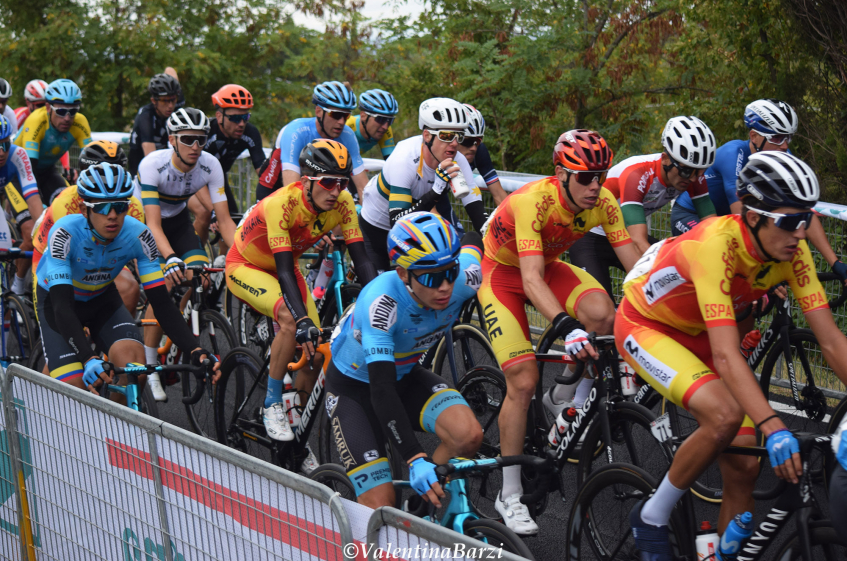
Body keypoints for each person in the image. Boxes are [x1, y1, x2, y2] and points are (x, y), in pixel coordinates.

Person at [616, 151, 847, 559]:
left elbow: (830, 340)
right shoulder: (716, 245)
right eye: (792, 221)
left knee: (743, 467)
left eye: (807, 220)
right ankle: (652, 514)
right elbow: (725, 356)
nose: (802, 232)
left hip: (701, 333)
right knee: (724, 416)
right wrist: (774, 426)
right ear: (754, 216)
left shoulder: (792, 252)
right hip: (647, 326)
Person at [478, 129, 639, 534]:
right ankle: (509, 494)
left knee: (605, 315)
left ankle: (566, 399)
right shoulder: (535, 201)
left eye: (600, 175)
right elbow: (530, 281)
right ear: (560, 174)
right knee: (522, 379)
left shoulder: (603, 202)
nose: (596, 186)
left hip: (546, 266)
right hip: (503, 275)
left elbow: (636, 266)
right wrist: (566, 327)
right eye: (585, 177)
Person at [225, 139, 377, 472]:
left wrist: (382, 298)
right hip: (247, 265)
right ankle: (271, 404)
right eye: (328, 182)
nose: (336, 190)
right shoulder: (282, 203)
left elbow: (362, 260)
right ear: (307, 180)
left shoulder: (343, 203)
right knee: (292, 321)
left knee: (315, 350)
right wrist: (301, 318)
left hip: (286, 263)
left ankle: (298, 435)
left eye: (342, 182)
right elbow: (281, 272)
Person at [327, 212, 484, 508]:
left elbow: (475, 242)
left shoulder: (467, 277)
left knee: (469, 435)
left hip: (404, 374)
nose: (445, 287)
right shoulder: (382, 304)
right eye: (431, 276)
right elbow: (381, 391)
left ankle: (422, 508)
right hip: (355, 389)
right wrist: (415, 458)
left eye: (450, 271)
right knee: (381, 507)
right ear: (402, 274)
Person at [34, 163, 219, 395]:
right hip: (58, 301)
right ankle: (35, 401)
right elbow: (62, 307)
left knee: (136, 369)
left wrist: (195, 349)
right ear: (84, 209)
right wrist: (88, 357)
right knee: (73, 388)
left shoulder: (139, 235)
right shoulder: (65, 233)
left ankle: (114, 430)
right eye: (103, 207)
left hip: (102, 298)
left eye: (120, 206)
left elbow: (161, 303)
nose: (113, 215)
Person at [671, 99, 847, 285]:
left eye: (788, 137)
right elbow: (739, 213)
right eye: (777, 138)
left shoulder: (783, 158)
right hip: (691, 215)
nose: (785, 145)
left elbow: (803, 211)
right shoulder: (733, 154)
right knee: (718, 264)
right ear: (754, 136)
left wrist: (836, 263)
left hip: (725, 222)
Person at [136, 107, 236, 401]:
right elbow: (153, 224)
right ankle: (151, 364)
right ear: (172, 140)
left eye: (202, 140)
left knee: (197, 273)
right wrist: (169, 259)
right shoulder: (152, 165)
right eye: (188, 139)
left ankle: (177, 323)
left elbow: (225, 220)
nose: (196, 147)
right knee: (164, 283)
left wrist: (242, 253)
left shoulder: (210, 165)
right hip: (144, 221)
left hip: (177, 220)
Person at [569, 116, 717, 300]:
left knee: (671, 290)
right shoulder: (638, 173)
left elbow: (712, 227)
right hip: (591, 236)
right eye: (687, 171)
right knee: (602, 315)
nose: (694, 178)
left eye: (700, 171)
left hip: (621, 234)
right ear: (665, 159)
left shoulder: (691, 176)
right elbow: (638, 241)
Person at [359, 97, 487, 272]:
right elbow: (398, 221)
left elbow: (478, 214)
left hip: (413, 224)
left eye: (459, 136)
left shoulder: (458, 160)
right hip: (377, 226)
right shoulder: (404, 160)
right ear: (427, 135)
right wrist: (436, 190)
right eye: (447, 135)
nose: (455, 143)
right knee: (379, 287)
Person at [31, 140, 144, 314]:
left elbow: (138, 254)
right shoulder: (66, 201)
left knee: (130, 287)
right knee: (61, 307)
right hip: (52, 254)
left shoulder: (133, 205)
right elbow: (68, 255)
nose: (108, 183)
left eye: (114, 173)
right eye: (100, 174)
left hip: (102, 252)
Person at [272, 81, 369, 200]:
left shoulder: (347, 135)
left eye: (346, 116)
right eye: (336, 115)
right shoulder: (296, 132)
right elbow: (291, 190)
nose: (341, 122)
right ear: (318, 112)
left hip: (317, 194)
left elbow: (363, 188)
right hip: (275, 187)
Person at [203, 84, 265, 245]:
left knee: (231, 219)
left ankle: (224, 263)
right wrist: (213, 211)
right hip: (195, 180)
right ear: (219, 116)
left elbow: (263, 173)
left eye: (245, 117)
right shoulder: (207, 132)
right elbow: (196, 174)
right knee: (204, 213)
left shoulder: (250, 133)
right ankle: (197, 256)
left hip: (218, 180)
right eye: (236, 118)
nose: (241, 124)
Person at [14, 78, 92, 204]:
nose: (67, 118)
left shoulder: (80, 122)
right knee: (33, 219)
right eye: (61, 111)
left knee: (67, 204)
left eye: (73, 112)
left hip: (47, 170)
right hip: (19, 172)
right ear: (48, 108)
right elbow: (30, 167)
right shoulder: (36, 120)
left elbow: (91, 162)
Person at [0, 115, 37, 291]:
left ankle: (13, 295)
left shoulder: (18, 155)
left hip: (6, 188)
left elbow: (33, 197)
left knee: (6, 249)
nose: (1, 152)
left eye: (5, 144)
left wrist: (41, 230)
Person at [127, 73, 181, 175]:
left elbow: (170, 69)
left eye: (173, 100)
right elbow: (150, 159)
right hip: (141, 166)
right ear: (153, 101)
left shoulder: (176, 107)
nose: (170, 105)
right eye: (165, 100)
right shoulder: (146, 116)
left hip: (164, 160)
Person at [346, 88, 399, 159]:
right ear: (363, 115)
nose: (385, 127)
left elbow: (391, 163)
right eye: (380, 119)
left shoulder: (384, 129)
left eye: (390, 120)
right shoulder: (346, 127)